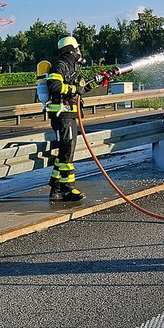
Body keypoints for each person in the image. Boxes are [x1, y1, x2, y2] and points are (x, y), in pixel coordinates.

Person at [43, 35, 102, 203]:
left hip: (69, 115)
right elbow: (54, 85)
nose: (78, 52)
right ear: (72, 50)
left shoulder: (72, 68)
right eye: (76, 49)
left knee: (64, 153)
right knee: (67, 154)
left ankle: (55, 189)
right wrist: (74, 89)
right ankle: (68, 189)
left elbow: (81, 89)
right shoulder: (61, 66)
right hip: (63, 115)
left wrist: (98, 81)